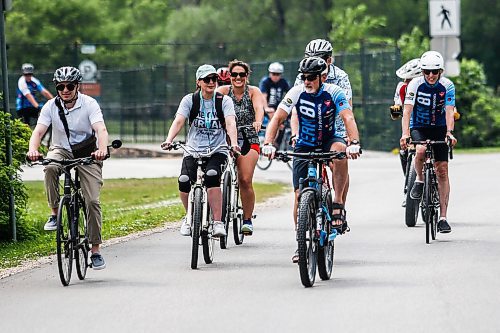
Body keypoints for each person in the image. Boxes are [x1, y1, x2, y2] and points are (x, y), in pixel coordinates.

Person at [262, 57, 361, 262]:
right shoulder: (296, 92)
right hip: (305, 143)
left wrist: (354, 142)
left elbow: (348, 117)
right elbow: (277, 118)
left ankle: (338, 203)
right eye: (304, 77)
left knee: (340, 151)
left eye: (311, 78)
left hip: (328, 139)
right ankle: (302, 243)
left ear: (322, 77)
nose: (306, 81)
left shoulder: (334, 92)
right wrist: (269, 143)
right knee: (299, 196)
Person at [26, 66, 109, 270]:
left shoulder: (89, 104)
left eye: (69, 86)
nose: (65, 90)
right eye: (60, 86)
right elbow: (38, 132)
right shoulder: (50, 106)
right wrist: (33, 150)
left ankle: (95, 250)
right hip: (60, 149)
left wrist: (102, 149)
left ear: (77, 86)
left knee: (91, 201)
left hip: (87, 152)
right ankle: (55, 213)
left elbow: (101, 129)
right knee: (50, 167)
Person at [161, 64, 239, 238]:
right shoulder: (190, 100)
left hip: (217, 149)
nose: (211, 82)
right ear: (199, 82)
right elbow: (179, 120)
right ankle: (189, 217)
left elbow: (230, 123)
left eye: (214, 79)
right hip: (193, 149)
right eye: (207, 79)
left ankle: (218, 222)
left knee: (212, 176)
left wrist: (233, 143)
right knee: (184, 180)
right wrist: (169, 139)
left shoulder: (224, 101)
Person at [400, 51, 457, 233]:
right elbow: (407, 111)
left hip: (439, 127)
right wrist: (405, 134)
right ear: (422, 72)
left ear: (441, 71)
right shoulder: (415, 85)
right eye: (427, 72)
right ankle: (419, 179)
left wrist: (449, 132)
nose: (431, 76)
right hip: (420, 126)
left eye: (434, 72)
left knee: (442, 170)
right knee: (420, 150)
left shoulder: (447, 85)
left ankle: (443, 217)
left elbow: (449, 111)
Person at [292, 38, 353, 206]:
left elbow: (346, 111)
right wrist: (295, 134)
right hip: (309, 128)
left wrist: (348, 136)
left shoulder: (340, 77)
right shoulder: (303, 77)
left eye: (318, 58)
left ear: (328, 60)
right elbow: (296, 110)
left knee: (338, 163)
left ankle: (339, 204)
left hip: (334, 129)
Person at [217, 59, 265, 235]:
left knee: (245, 180)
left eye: (242, 75)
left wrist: (258, 121)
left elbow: (259, 108)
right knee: (215, 177)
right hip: (225, 139)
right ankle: (215, 218)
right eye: (234, 74)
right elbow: (210, 106)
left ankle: (247, 219)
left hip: (247, 137)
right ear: (229, 76)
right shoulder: (222, 92)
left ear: (247, 76)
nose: (238, 77)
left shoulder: (253, 92)